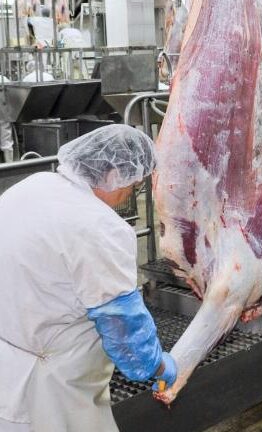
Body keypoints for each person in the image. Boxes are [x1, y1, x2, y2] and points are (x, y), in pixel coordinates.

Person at [0, 125, 177, 432]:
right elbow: (122, 323)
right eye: (133, 185)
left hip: (9, 354)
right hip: (54, 383)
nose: (129, 194)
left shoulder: (35, 185)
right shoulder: (100, 227)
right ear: (113, 175)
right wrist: (157, 364)